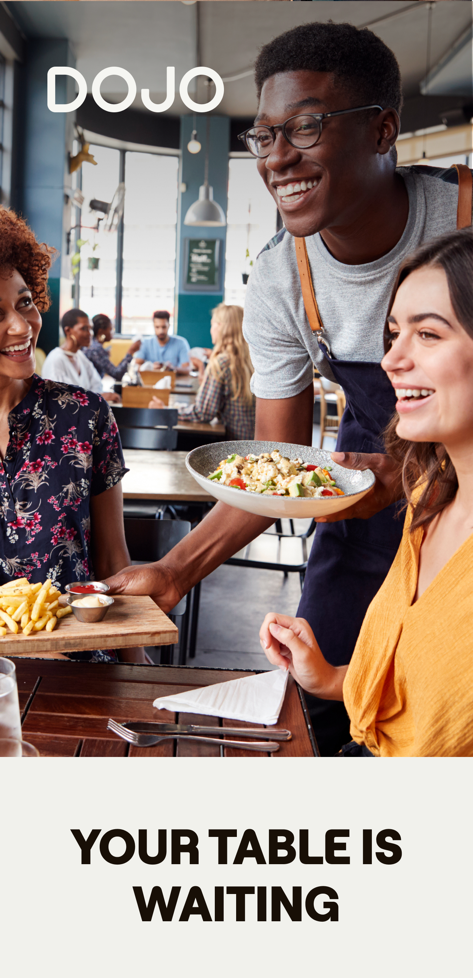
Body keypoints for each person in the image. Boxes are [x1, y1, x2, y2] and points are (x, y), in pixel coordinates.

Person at [104, 21, 472, 753]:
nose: (278, 158)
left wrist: (414, 472)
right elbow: (280, 461)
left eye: (304, 127)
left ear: (381, 131)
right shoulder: (280, 276)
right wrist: (174, 570)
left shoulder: (461, 215)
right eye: (263, 135)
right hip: (361, 494)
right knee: (328, 699)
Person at [260, 228, 473, 757]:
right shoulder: (429, 496)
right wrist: (329, 678)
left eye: (428, 334)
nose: (391, 360)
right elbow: (419, 686)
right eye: (394, 333)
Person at [0, 205, 143, 663]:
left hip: (78, 668)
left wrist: (136, 664)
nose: (23, 326)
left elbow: (112, 559)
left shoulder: (85, 415)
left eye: (24, 301)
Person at [149, 304, 255, 440]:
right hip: (252, 442)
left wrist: (166, 411)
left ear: (221, 327)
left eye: (212, 325)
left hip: (232, 446)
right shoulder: (250, 360)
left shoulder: (221, 362)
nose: (211, 330)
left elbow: (203, 413)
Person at [42, 308, 116, 401]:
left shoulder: (79, 356)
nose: (90, 333)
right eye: (84, 328)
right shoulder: (56, 359)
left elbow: (97, 384)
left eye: (91, 328)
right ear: (68, 331)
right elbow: (60, 398)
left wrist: (97, 397)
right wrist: (96, 398)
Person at [84, 314, 141, 381]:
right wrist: (131, 351)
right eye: (110, 329)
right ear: (101, 331)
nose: (112, 332)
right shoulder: (96, 349)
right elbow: (117, 374)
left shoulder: (93, 345)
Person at [134, 310, 191, 374]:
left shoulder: (181, 343)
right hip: (150, 381)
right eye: (157, 327)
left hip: (173, 381)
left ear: (169, 326)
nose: (161, 331)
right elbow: (135, 366)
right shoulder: (145, 343)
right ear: (153, 326)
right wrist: (150, 367)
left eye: (164, 327)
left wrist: (172, 368)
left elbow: (187, 369)